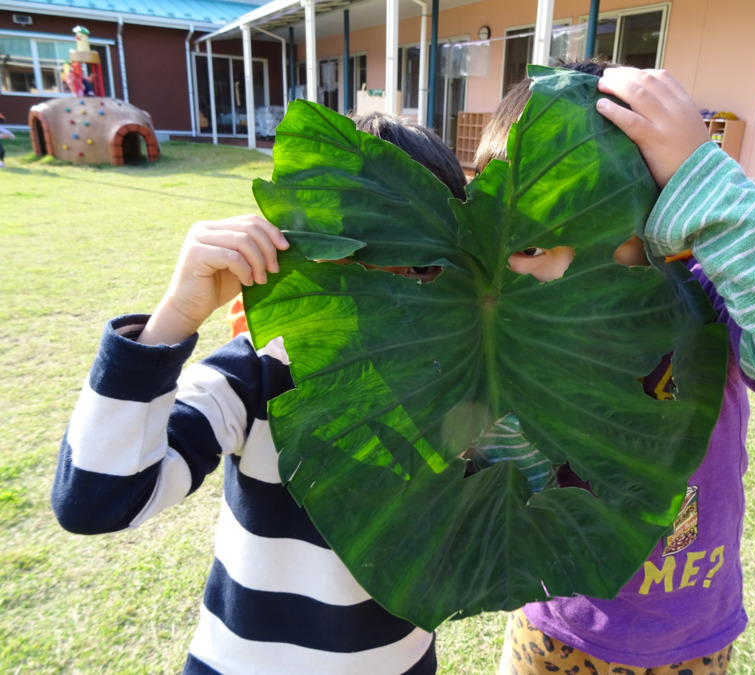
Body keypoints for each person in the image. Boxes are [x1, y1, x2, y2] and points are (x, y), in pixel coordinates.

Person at [473, 61, 755, 674]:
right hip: (555, 627)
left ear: (660, 216)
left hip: (690, 635)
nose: (559, 272)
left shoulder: (706, 296)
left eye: (598, 226)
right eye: (529, 245)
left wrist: (705, 183)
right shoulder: (503, 318)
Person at [51, 112, 467, 674]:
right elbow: (96, 500)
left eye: (419, 267)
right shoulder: (258, 373)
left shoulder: (471, 382)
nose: (386, 294)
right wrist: (174, 317)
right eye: (351, 260)